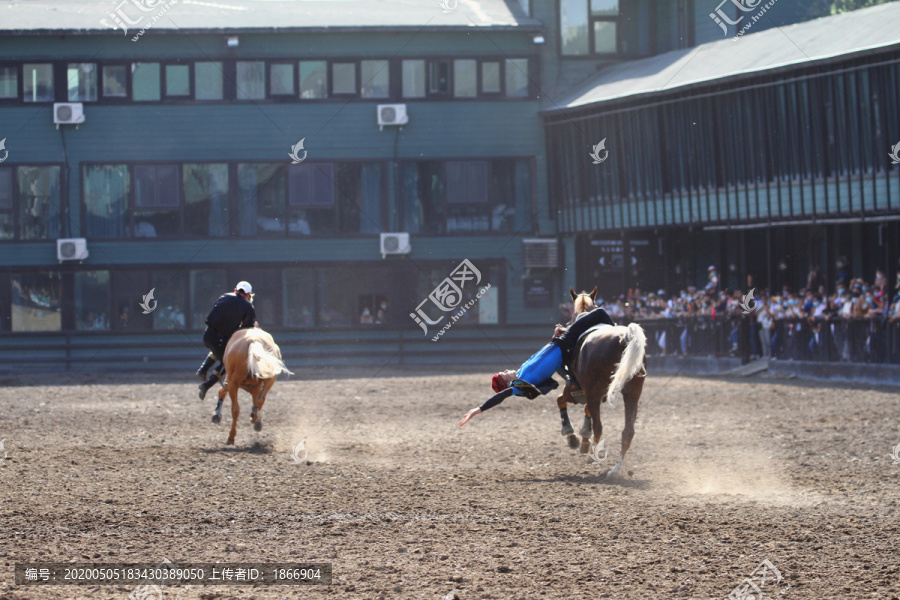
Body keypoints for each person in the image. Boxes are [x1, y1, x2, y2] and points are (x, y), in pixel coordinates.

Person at [459, 305, 614, 426]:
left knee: (585, 317)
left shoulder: (522, 370)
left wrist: (554, 337)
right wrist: (478, 409)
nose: (505, 370)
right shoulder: (520, 385)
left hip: (559, 341)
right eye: (502, 374)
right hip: (565, 344)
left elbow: (543, 354)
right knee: (599, 313)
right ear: (506, 383)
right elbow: (501, 396)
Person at [196, 281, 257, 400]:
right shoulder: (248, 306)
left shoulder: (224, 296)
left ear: (236, 290)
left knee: (219, 349)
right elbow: (247, 328)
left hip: (207, 335)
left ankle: (203, 369)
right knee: (227, 362)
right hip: (221, 339)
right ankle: (206, 385)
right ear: (249, 294)